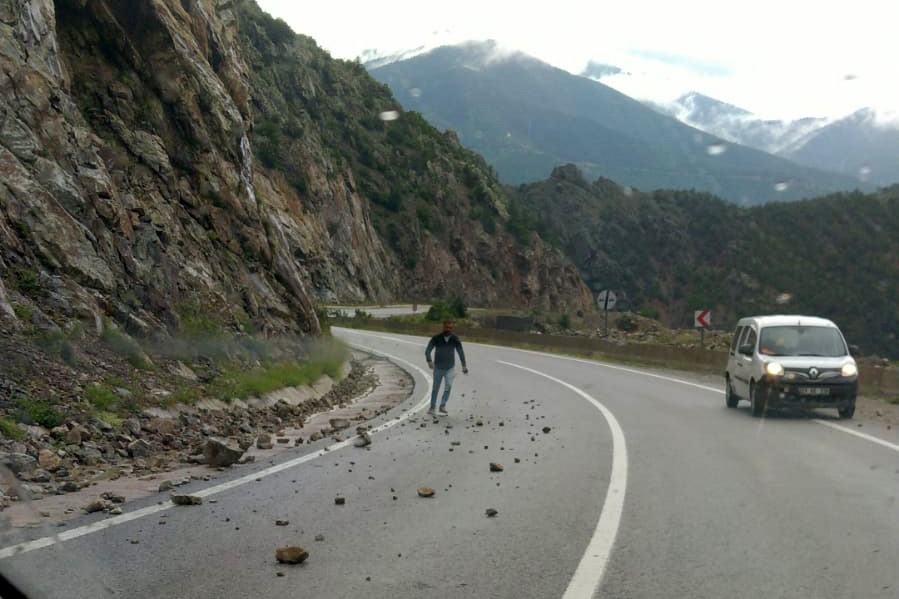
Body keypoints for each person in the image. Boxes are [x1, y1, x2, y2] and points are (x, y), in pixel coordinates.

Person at [425, 319, 468, 415]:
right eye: (446, 327)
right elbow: (428, 350)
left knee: (448, 386)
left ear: (452, 328)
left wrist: (464, 366)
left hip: (450, 368)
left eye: (450, 327)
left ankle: (442, 405)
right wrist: (429, 361)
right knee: (435, 388)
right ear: (443, 327)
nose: (448, 329)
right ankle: (432, 407)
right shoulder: (436, 338)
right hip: (438, 368)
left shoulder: (455, 339)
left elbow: (460, 352)